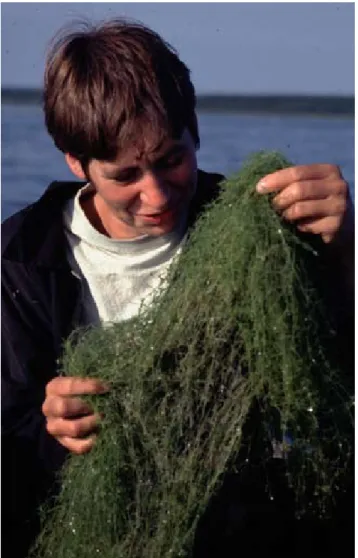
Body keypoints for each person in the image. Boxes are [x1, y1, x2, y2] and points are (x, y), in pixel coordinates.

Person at [2, 18, 354, 558]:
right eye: (125, 176)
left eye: (172, 159)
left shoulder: (259, 230)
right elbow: (15, 439)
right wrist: (49, 429)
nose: (157, 193)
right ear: (77, 162)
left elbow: (329, 378)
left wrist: (344, 251)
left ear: (195, 129)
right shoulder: (18, 260)